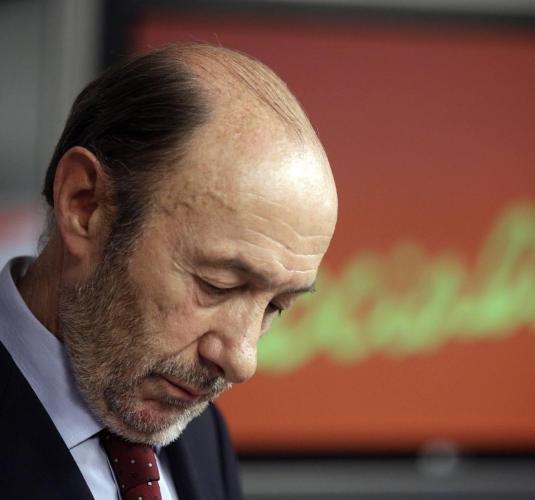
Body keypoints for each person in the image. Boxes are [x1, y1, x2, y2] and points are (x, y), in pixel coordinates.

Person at [0, 43, 338, 499]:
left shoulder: (202, 435)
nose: (242, 361)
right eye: (218, 285)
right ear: (85, 205)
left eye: (276, 306)